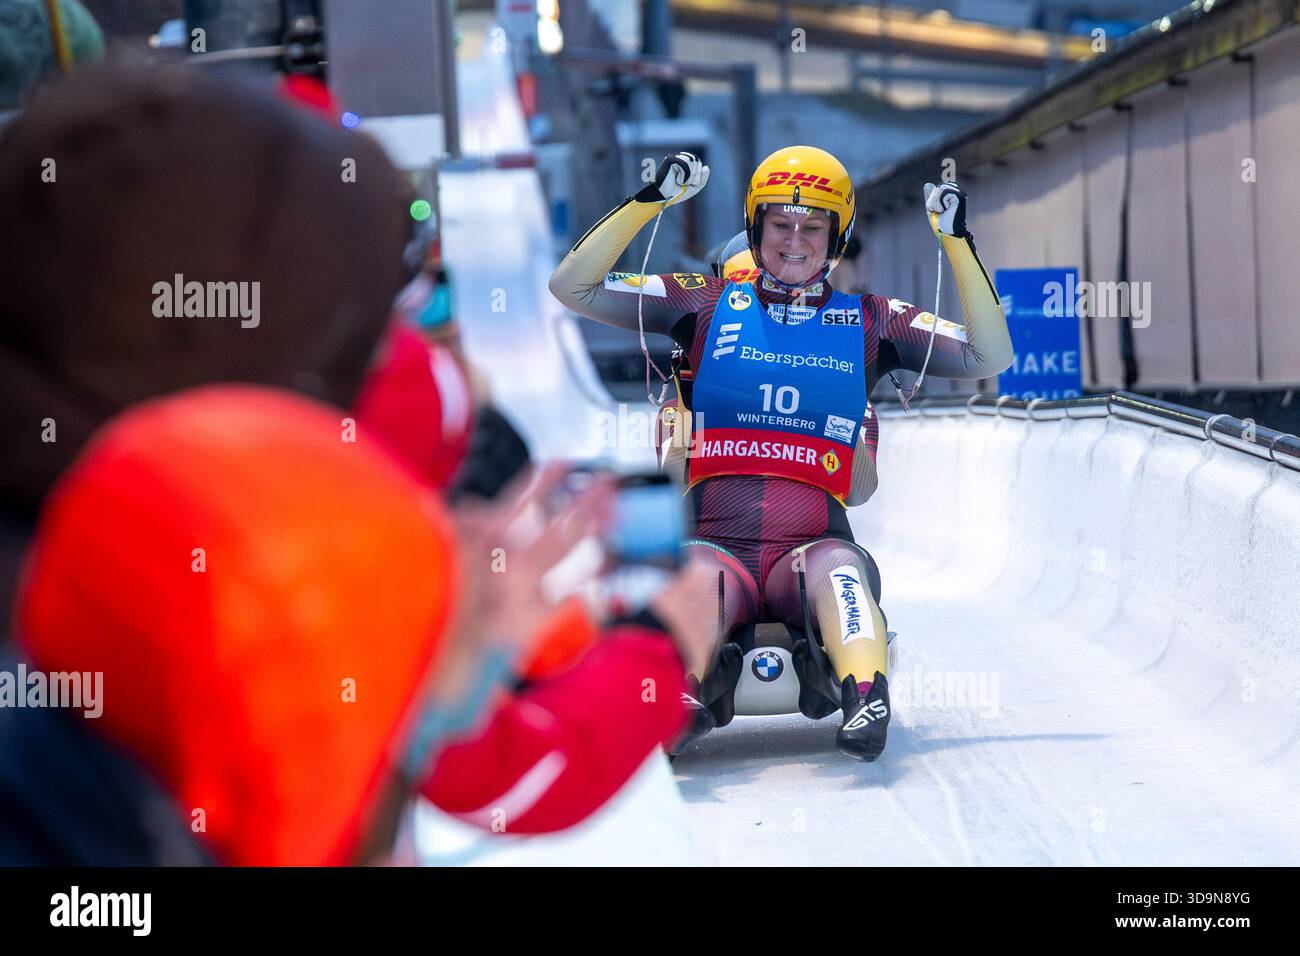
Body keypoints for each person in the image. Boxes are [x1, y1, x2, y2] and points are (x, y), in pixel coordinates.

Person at [550, 146, 1013, 760]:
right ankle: (679, 695)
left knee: (841, 575)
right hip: (718, 546)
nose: (795, 241)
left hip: (812, 545)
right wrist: (651, 200)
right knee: (695, 581)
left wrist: (957, 243)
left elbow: (989, 356)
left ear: (836, 237)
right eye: (780, 224)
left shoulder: (871, 320)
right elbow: (572, 285)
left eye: (813, 227)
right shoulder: (703, 302)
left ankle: (866, 696)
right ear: (755, 228)